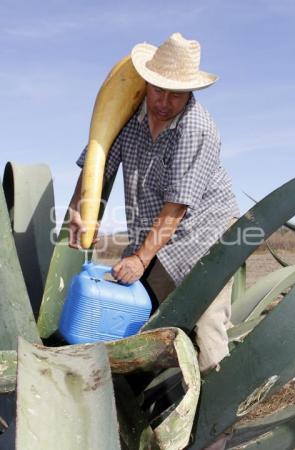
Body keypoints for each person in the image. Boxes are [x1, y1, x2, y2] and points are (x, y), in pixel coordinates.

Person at [68, 32, 240, 373]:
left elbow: (177, 208)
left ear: (190, 92)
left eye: (176, 94)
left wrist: (140, 258)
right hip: (157, 234)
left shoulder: (197, 128)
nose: (164, 101)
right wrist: (78, 206)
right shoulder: (129, 114)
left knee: (206, 326)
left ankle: (217, 418)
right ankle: (152, 401)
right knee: (143, 317)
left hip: (207, 237)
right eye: (158, 89)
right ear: (146, 81)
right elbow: (98, 162)